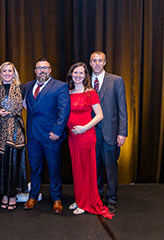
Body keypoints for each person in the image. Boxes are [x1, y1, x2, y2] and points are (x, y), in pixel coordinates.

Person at [66, 62, 113, 219]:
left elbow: (100, 115)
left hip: (85, 136)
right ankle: (80, 200)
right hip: (73, 138)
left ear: (85, 75)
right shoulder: (68, 92)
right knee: (77, 169)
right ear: (71, 74)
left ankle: (86, 203)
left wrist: (84, 128)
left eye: (81, 73)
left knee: (86, 170)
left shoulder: (90, 92)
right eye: (75, 72)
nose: (78, 75)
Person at [24, 58, 70, 214]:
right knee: (35, 168)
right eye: (39, 68)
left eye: (45, 68)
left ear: (50, 70)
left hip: (51, 136)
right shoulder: (29, 86)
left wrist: (57, 131)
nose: (42, 70)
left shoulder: (60, 86)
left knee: (54, 168)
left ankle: (56, 198)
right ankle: (33, 195)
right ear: (35, 71)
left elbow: (64, 111)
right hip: (32, 136)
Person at [89, 51, 128, 213]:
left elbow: (122, 109)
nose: (97, 63)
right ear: (90, 63)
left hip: (110, 133)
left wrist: (122, 132)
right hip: (90, 132)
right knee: (95, 166)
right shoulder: (83, 81)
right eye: (94, 61)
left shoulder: (116, 80)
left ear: (105, 62)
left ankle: (112, 198)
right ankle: (97, 196)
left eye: (100, 61)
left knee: (110, 167)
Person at [0, 62, 27, 211]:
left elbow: (28, 106)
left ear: (14, 73)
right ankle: (4, 195)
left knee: (14, 163)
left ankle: (12, 195)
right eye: (4, 71)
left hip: (16, 130)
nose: (7, 73)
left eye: (10, 71)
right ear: (0, 73)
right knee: (2, 163)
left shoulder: (22, 88)